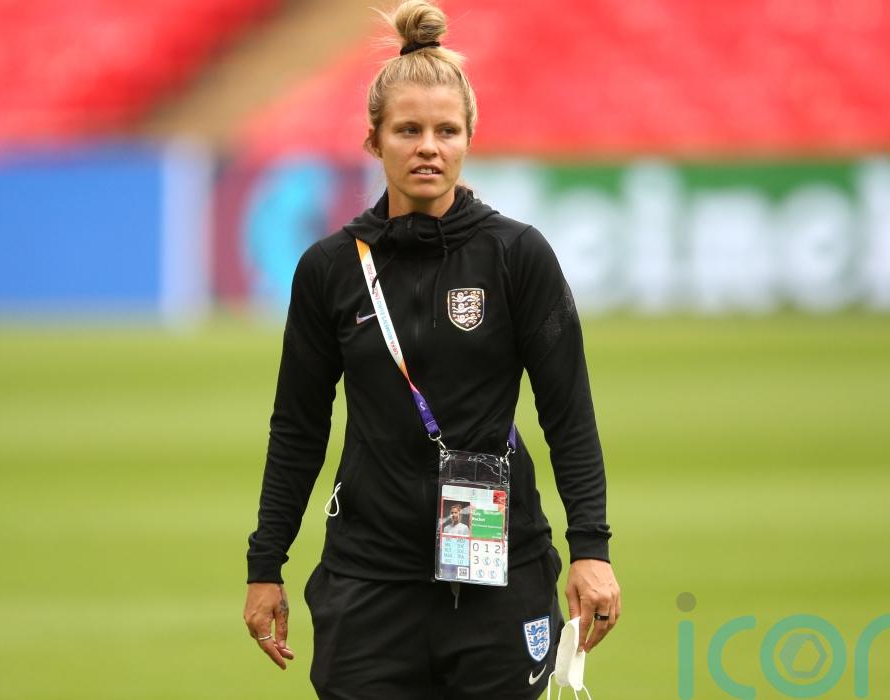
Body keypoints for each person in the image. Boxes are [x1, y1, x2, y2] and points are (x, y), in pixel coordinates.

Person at [243, 1, 621, 697]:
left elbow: (569, 413)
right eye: (408, 130)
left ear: (468, 138)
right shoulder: (330, 269)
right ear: (374, 140)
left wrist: (590, 549)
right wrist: (265, 564)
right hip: (368, 581)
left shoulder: (517, 256)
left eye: (446, 131)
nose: (428, 147)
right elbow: (297, 426)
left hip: (498, 575)